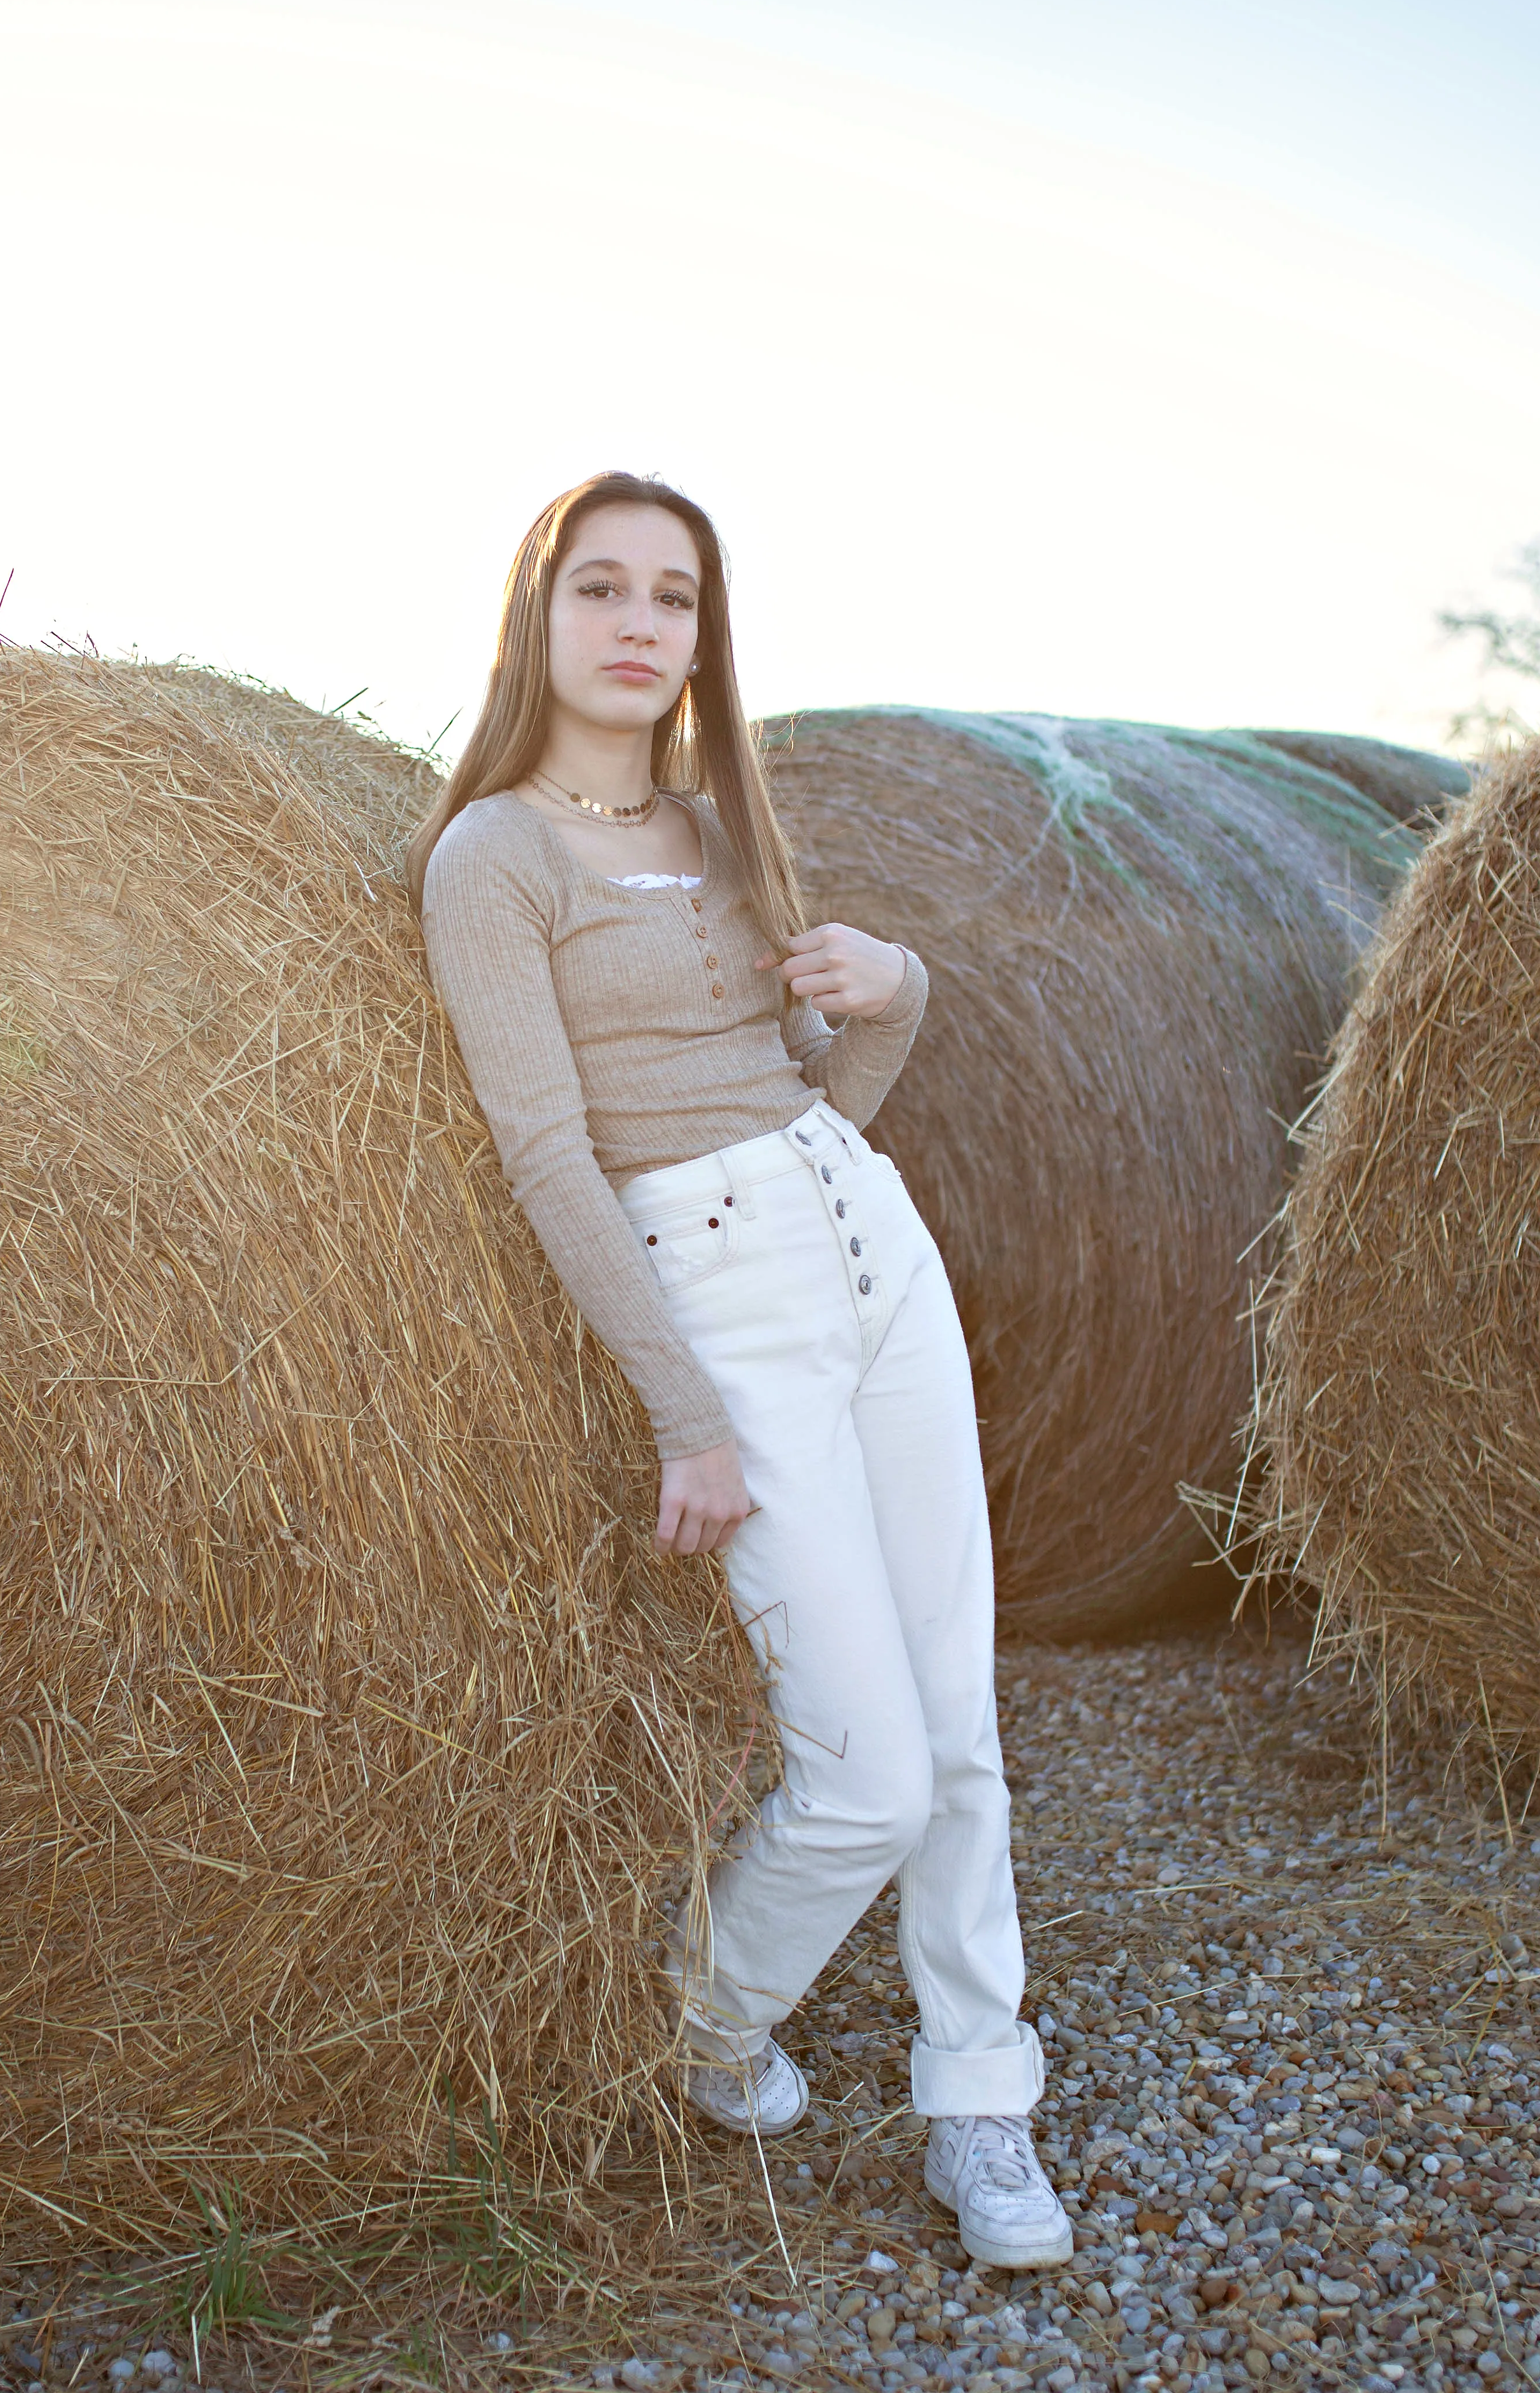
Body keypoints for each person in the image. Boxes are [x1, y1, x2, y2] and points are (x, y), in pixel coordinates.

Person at [408, 471, 1071, 2271]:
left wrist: (903, 995)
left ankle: (981, 2098)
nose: (640, 625)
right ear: (535, 619)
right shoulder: (494, 861)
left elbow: (810, 1095)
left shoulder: (721, 834)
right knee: (862, 1767)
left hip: (871, 1245)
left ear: (708, 635)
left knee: (959, 1727)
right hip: (722, 1308)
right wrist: (682, 1415)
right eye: (602, 589)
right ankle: (703, 2016)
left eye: (676, 599)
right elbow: (550, 1156)